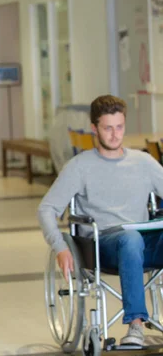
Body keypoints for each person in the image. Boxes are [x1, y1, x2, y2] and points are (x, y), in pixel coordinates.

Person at [38, 95, 163, 346]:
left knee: (135, 237)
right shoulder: (79, 167)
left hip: (144, 245)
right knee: (130, 239)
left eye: (120, 127)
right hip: (103, 246)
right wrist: (60, 247)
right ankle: (136, 326)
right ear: (94, 128)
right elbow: (46, 208)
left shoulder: (144, 162)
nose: (115, 135)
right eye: (108, 128)